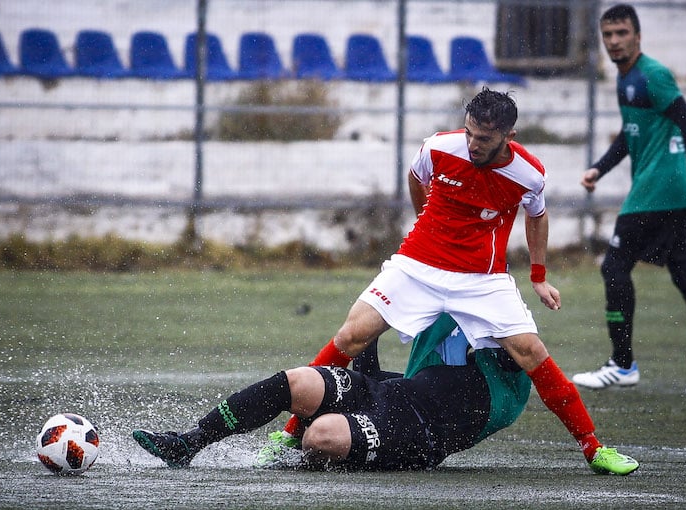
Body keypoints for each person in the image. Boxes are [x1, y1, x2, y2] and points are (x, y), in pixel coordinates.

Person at [259, 87, 638, 474]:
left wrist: (538, 276)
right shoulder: (440, 147)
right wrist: (427, 222)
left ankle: (594, 448)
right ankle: (289, 434)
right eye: (470, 132)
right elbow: (416, 176)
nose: (473, 144)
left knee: (531, 352)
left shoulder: (529, 173)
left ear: (508, 136)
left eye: (484, 138)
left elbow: (537, 216)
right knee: (352, 335)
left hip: (481, 278)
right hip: (419, 265)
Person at [133, 315, 634, 474]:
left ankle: (307, 455)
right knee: (298, 381)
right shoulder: (424, 279)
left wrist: (592, 446)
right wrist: (288, 425)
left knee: (324, 435)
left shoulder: (497, 309)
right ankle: (190, 442)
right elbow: (351, 342)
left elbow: (547, 381)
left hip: (423, 430)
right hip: (391, 390)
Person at [572, 4, 686, 393]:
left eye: (621, 33)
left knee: (614, 267)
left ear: (638, 36)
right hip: (662, 194)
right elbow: (632, 134)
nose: (614, 42)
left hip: (657, 193)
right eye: (608, 35)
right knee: (684, 273)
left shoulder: (653, 75)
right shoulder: (626, 78)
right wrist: (599, 168)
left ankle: (623, 364)